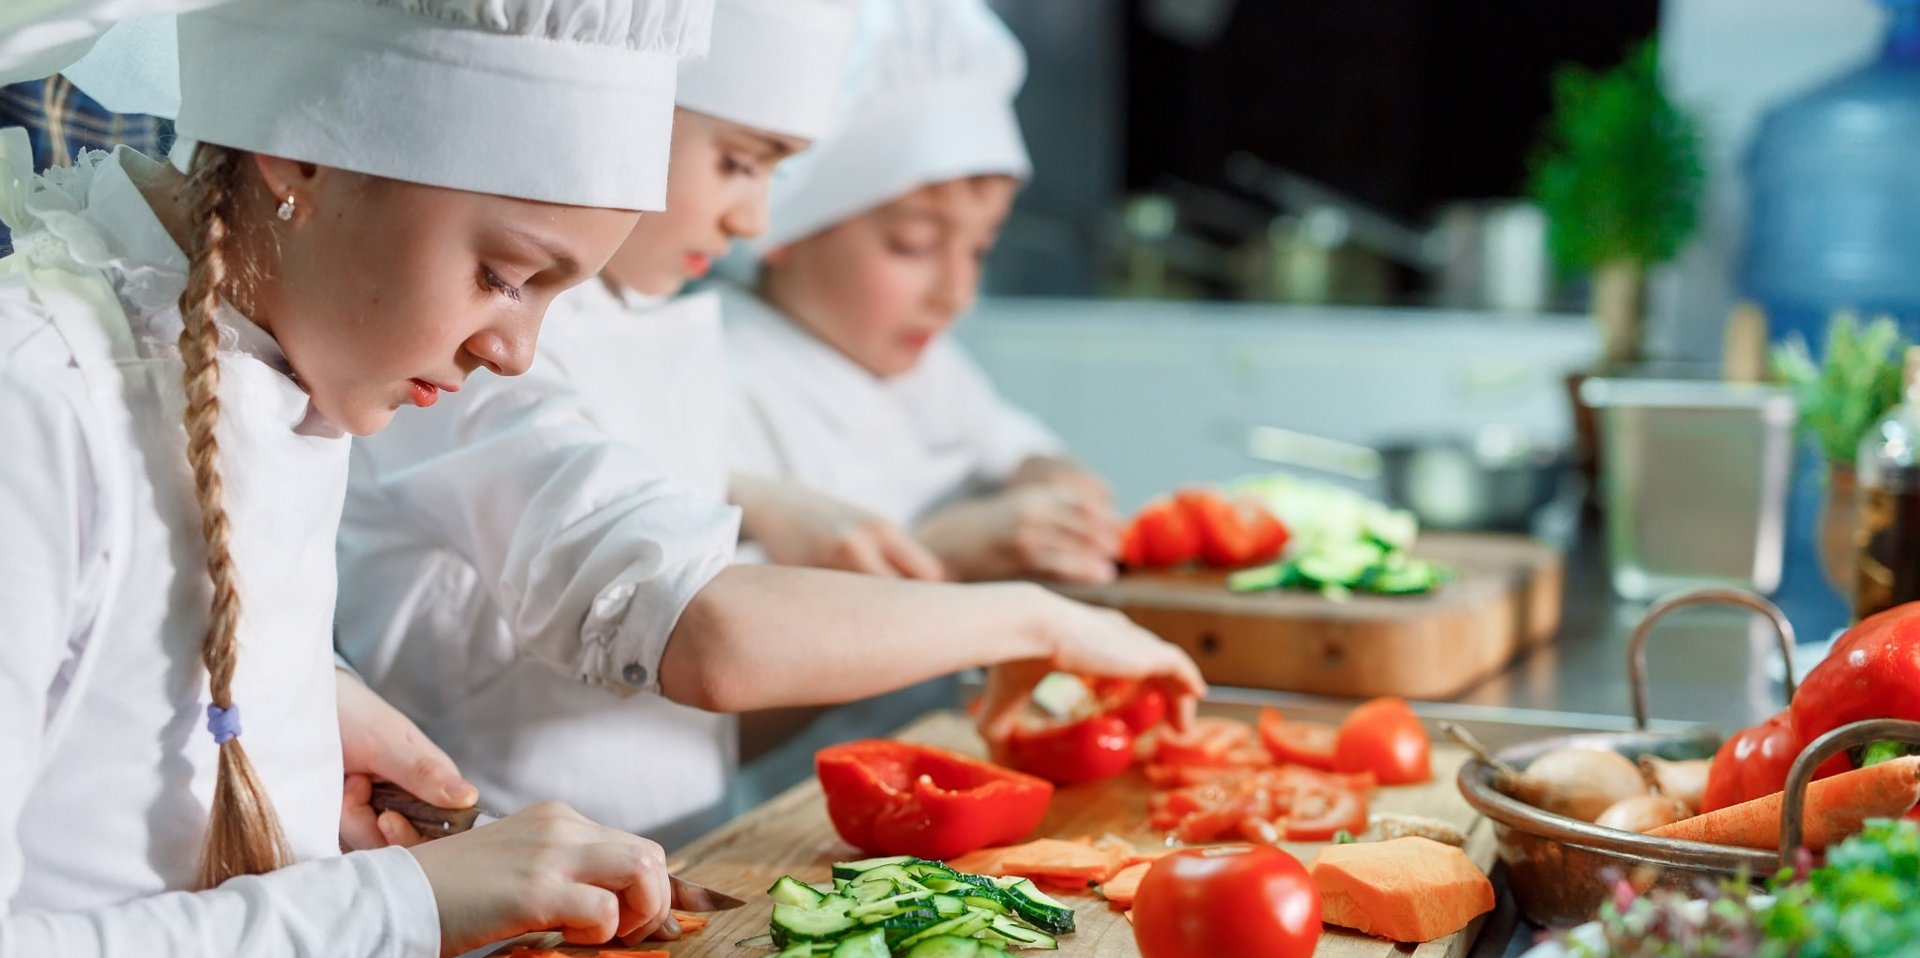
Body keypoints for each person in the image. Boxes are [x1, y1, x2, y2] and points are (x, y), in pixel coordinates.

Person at [335, 0, 1207, 849]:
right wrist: (1027, 617)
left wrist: (755, 496)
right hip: (504, 873)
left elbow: (604, 486)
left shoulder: (637, 318)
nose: (754, 220)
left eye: (773, 172)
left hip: (666, 859)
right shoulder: (461, 346)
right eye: (739, 163)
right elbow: (705, 632)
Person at [0, 0, 716, 952]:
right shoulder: (34, 405)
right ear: (302, 156)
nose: (515, 354)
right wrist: (405, 904)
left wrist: (295, 708)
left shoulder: (283, 351)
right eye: (504, 275)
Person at [725, 0, 1123, 589]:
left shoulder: (927, 370)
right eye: (913, 246)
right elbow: (704, 609)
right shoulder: (720, 380)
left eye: (980, 249)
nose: (957, 294)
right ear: (782, 227)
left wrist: (1045, 472)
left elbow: (1009, 441)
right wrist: (937, 553)